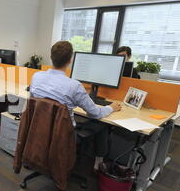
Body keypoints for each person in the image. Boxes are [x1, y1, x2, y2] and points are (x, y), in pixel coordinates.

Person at [30, 41, 122, 171]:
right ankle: (99, 162)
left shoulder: (36, 76)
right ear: (70, 60)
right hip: (63, 135)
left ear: (51, 57)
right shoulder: (74, 86)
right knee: (103, 124)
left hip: (42, 129)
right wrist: (111, 107)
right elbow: (95, 113)